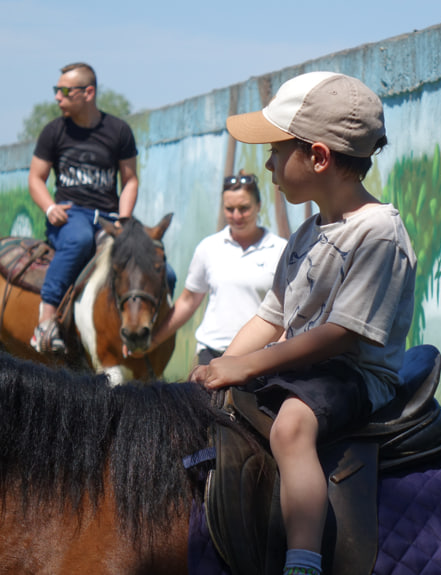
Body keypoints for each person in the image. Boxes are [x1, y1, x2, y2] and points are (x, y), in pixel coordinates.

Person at [192, 72, 417, 575]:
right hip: (305, 370)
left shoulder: (378, 232)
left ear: (318, 157)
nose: (267, 163)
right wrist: (223, 365)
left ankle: (303, 558)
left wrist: (248, 365)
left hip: (355, 375)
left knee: (292, 425)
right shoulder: (307, 231)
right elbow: (270, 315)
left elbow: (340, 334)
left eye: (275, 150)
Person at [28, 62, 139, 353]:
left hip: (108, 217)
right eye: (57, 90)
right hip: (70, 215)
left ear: (88, 92)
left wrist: (125, 221)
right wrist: (49, 207)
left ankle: (143, 328)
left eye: (64, 91)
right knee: (78, 240)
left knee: (143, 255)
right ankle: (46, 322)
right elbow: (36, 178)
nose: (57, 97)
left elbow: (130, 180)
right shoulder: (54, 132)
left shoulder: (119, 131)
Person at [148, 171, 287, 365]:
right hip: (210, 356)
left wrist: (277, 356)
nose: (237, 215)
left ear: (259, 206)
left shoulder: (281, 250)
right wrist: (152, 341)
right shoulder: (209, 247)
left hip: (258, 359)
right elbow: (188, 301)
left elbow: (289, 311)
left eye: (244, 208)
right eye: (229, 209)